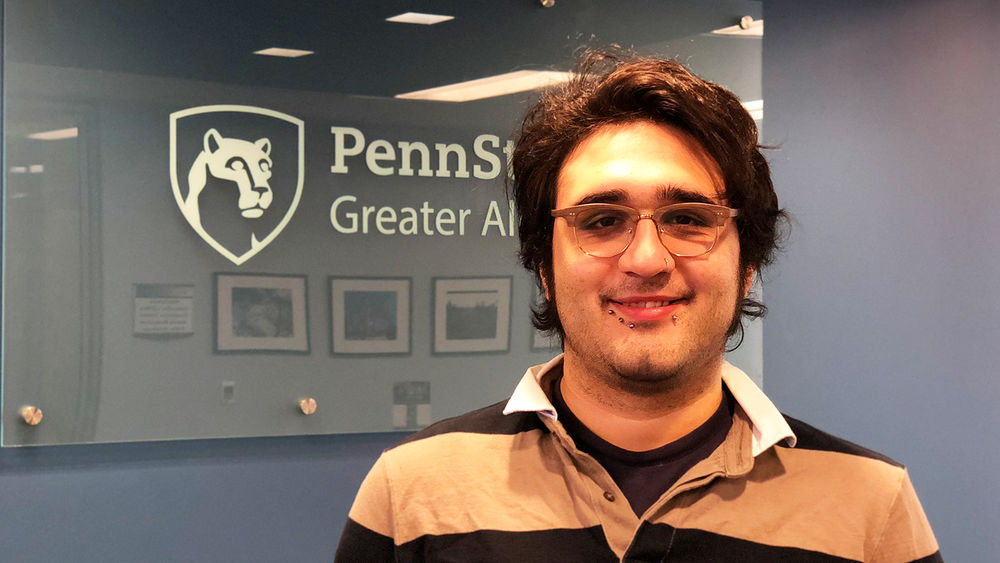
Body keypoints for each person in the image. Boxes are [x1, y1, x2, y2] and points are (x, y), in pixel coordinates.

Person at [335, 52, 941, 562]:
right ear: (544, 268)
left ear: (747, 265)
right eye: (601, 220)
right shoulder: (413, 491)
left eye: (687, 219)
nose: (647, 259)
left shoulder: (870, 507)